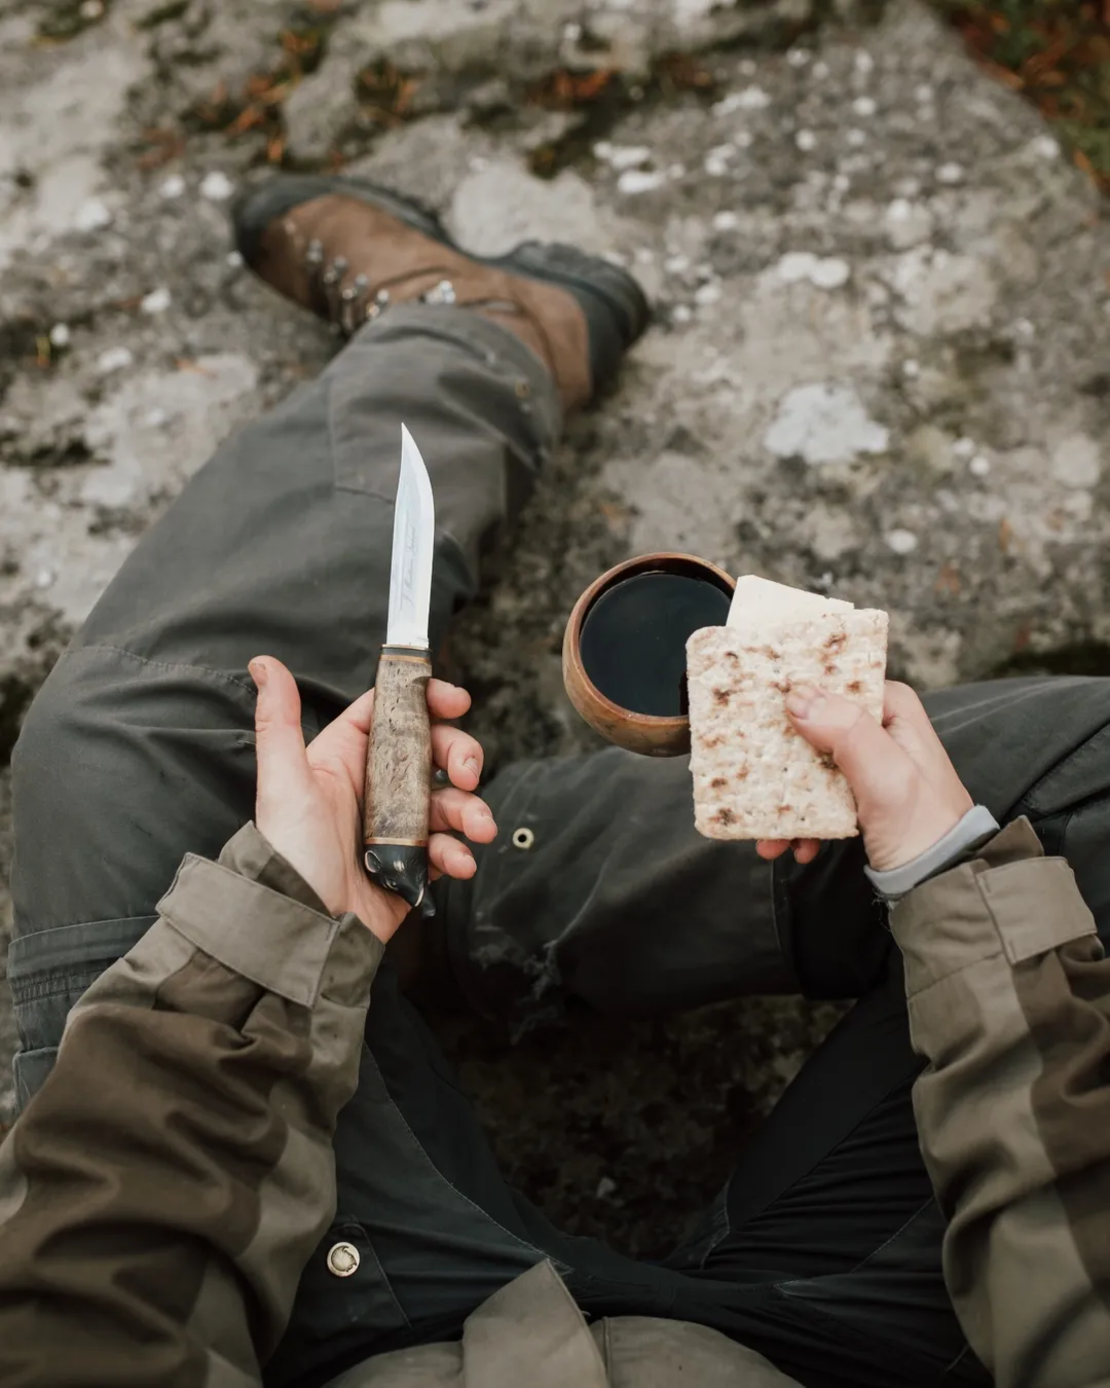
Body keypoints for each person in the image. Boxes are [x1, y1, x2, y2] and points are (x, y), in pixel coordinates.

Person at [0, 174, 1107, 1388]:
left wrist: (266, 947)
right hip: (894, 1335)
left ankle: (469, 331)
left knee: (126, 745)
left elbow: (89, 1316)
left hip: (366, 1330)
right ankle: (433, 891)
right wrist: (953, 883)